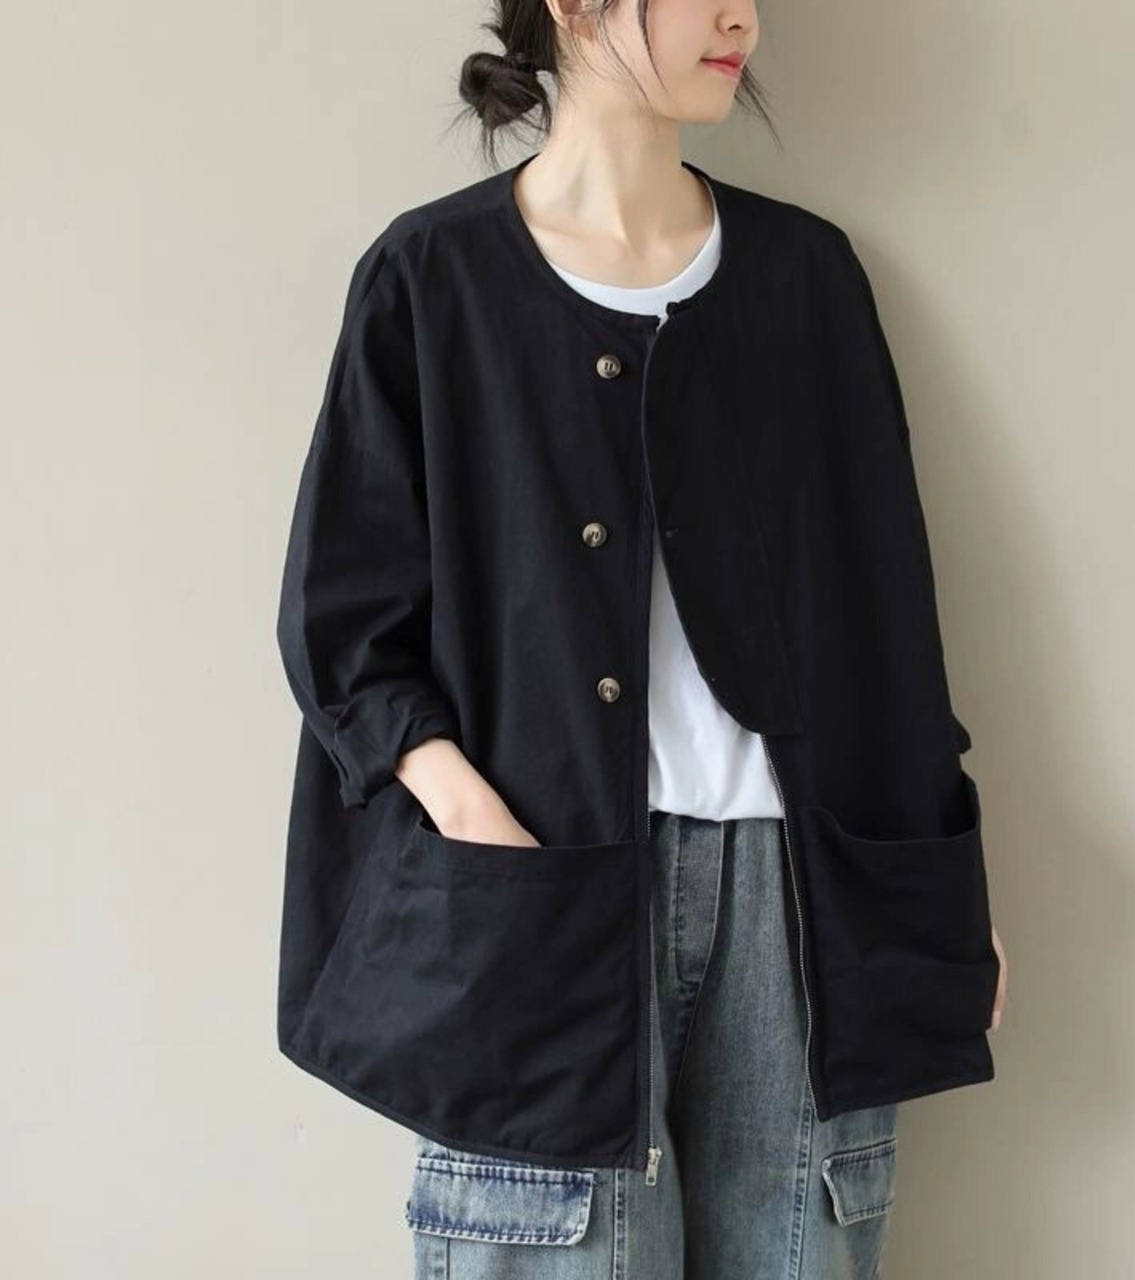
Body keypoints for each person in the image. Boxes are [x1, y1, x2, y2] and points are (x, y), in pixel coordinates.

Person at [274, 1, 1008, 1276]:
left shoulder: (805, 278)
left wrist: (939, 886)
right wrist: (468, 815)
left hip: (799, 898)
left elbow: (886, 615)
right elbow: (343, 613)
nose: (742, 17)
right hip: (536, 885)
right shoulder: (432, 278)